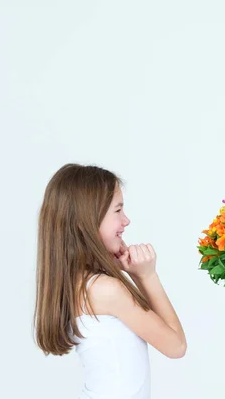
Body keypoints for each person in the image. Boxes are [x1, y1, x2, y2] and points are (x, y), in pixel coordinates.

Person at [34, 164, 186, 399]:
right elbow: (176, 346)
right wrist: (146, 275)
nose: (126, 221)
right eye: (118, 210)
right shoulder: (105, 290)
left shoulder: (81, 284)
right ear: (87, 219)